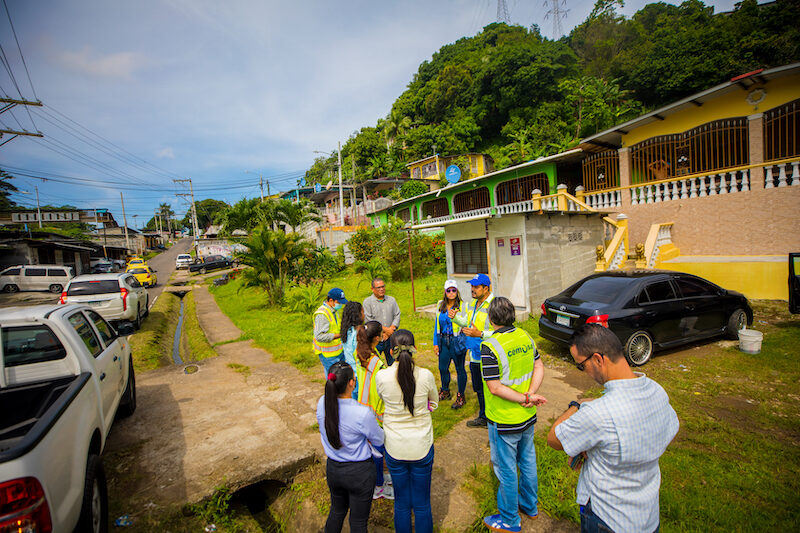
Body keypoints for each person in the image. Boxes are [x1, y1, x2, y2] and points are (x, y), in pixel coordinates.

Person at [546, 324, 679, 533]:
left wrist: (576, 406)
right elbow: (670, 428)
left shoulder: (597, 413)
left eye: (581, 366)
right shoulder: (656, 391)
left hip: (606, 518)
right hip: (647, 516)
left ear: (598, 359)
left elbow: (554, 438)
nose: (583, 372)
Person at [480, 297, 547, 533]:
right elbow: (539, 366)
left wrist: (526, 397)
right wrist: (531, 394)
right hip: (527, 416)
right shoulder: (525, 336)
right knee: (528, 461)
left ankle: (509, 520)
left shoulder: (490, 346)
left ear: (491, 318)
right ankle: (530, 506)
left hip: (504, 419)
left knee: (506, 470)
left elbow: (494, 387)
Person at [376, 330, 438, 533]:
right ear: (415, 348)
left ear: (391, 350)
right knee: (422, 504)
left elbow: (382, 400)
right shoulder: (426, 375)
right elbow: (434, 403)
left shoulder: (382, 377)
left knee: (401, 503)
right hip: (422, 445)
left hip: (394, 447)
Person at [317, 361, 384, 533]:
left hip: (333, 469)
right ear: (351, 383)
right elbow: (379, 439)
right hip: (359, 473)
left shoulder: (322, 403)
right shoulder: (361, 413)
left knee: (337, 511)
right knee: (359, 521)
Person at [355, 320, 393, 500]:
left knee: (371, 446)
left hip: (364, 404)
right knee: (379, 448)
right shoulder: (375, 362)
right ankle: (378, 485)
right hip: (376, 407)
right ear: (377, 337)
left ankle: (377, 478)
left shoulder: (361, 352)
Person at [453, 273, 495, 427]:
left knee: (492, 388)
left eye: (476, 287)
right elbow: (467, 322)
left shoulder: (494, 305)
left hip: (490, 354)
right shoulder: (473, 303)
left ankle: (493, 419)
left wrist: (480, 334)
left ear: (486, 288)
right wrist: (455, 317)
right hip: (475, 354)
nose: (472, 289)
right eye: (471, 286)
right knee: (478, 387)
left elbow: (501, 331)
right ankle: (484, 417)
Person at [433, 279, 468, 409]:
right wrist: (436, 342)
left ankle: (461, 396)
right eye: (449, 290)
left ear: (457, 291)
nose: (451, 292)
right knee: (442, 368)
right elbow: (436, 325)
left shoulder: (463, 306)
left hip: (456, 341)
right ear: (445, 292)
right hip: (443, 340)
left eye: (454, 290)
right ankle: (445, 390)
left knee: (460, 369)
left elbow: (465, 322)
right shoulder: (440, 305)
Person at [363, 277, 401, 366]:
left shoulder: (391, 300)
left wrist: (391, 329)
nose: (382, 289)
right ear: (372, 289)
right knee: (374, 364)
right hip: (376, 339)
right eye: (378, 287)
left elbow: (397, 315)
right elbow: (369, 320)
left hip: (391, 337)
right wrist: (384, 331)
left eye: (383, 286)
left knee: (394, 363)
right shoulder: (367, 302)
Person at [314, 288, 347, 375]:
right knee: (334, 379)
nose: (340, 305)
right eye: (339, 302)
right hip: (328, 354)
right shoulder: (322, 314)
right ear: (331, 300)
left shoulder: (334, 311)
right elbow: (319, 336)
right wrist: (339, 335)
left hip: (338, 351)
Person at [340, 301, 364, 396]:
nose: (364, 314)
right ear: (358, 315)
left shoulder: (346, 330)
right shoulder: (358, 333)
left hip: (351, 371)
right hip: (359, 372)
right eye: (362, 312)